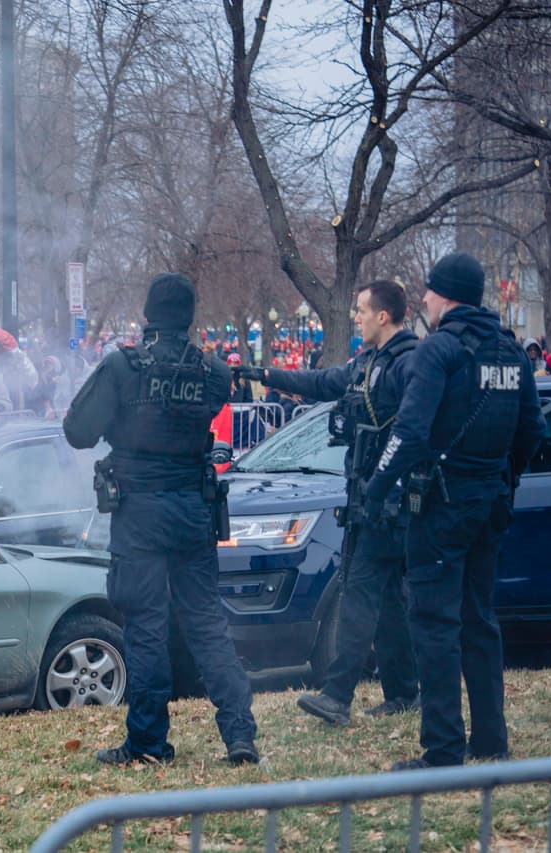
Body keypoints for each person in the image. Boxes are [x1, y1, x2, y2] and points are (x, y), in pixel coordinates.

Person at [62, 273, 258, 767]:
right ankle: (240, 736)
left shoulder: (122, 367)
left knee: (146, 626)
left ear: (149, 314)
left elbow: (77, 431)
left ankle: (148, 741)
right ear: (189, 316)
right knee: (208, 623)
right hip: (193, 508)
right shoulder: (213, 371)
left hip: (140, 512)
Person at [363, 252, 543, 770]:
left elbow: (410, 432)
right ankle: (491, 740)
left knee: (434, 625)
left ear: (447, 295)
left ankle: (442, 749)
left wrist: (377, 489)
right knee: (480, 620)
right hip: (489, 505)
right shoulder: (511, 351)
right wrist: (502, 479)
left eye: (429, 292)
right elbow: (532, 431)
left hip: (441, 507)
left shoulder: (440, 349)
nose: (422, 299)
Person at [237, 280, 420, 726]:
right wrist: (261, 374)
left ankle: (337, 695)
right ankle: (403, 692)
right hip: (366, 497)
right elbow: (320, 382)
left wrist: (381, 487)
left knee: (358, 593)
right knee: (391, 602)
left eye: (361, 310)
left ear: (383, 315)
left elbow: (412, 432)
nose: (355, 317)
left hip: (387, 501)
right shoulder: (368, 363)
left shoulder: (409, 364)